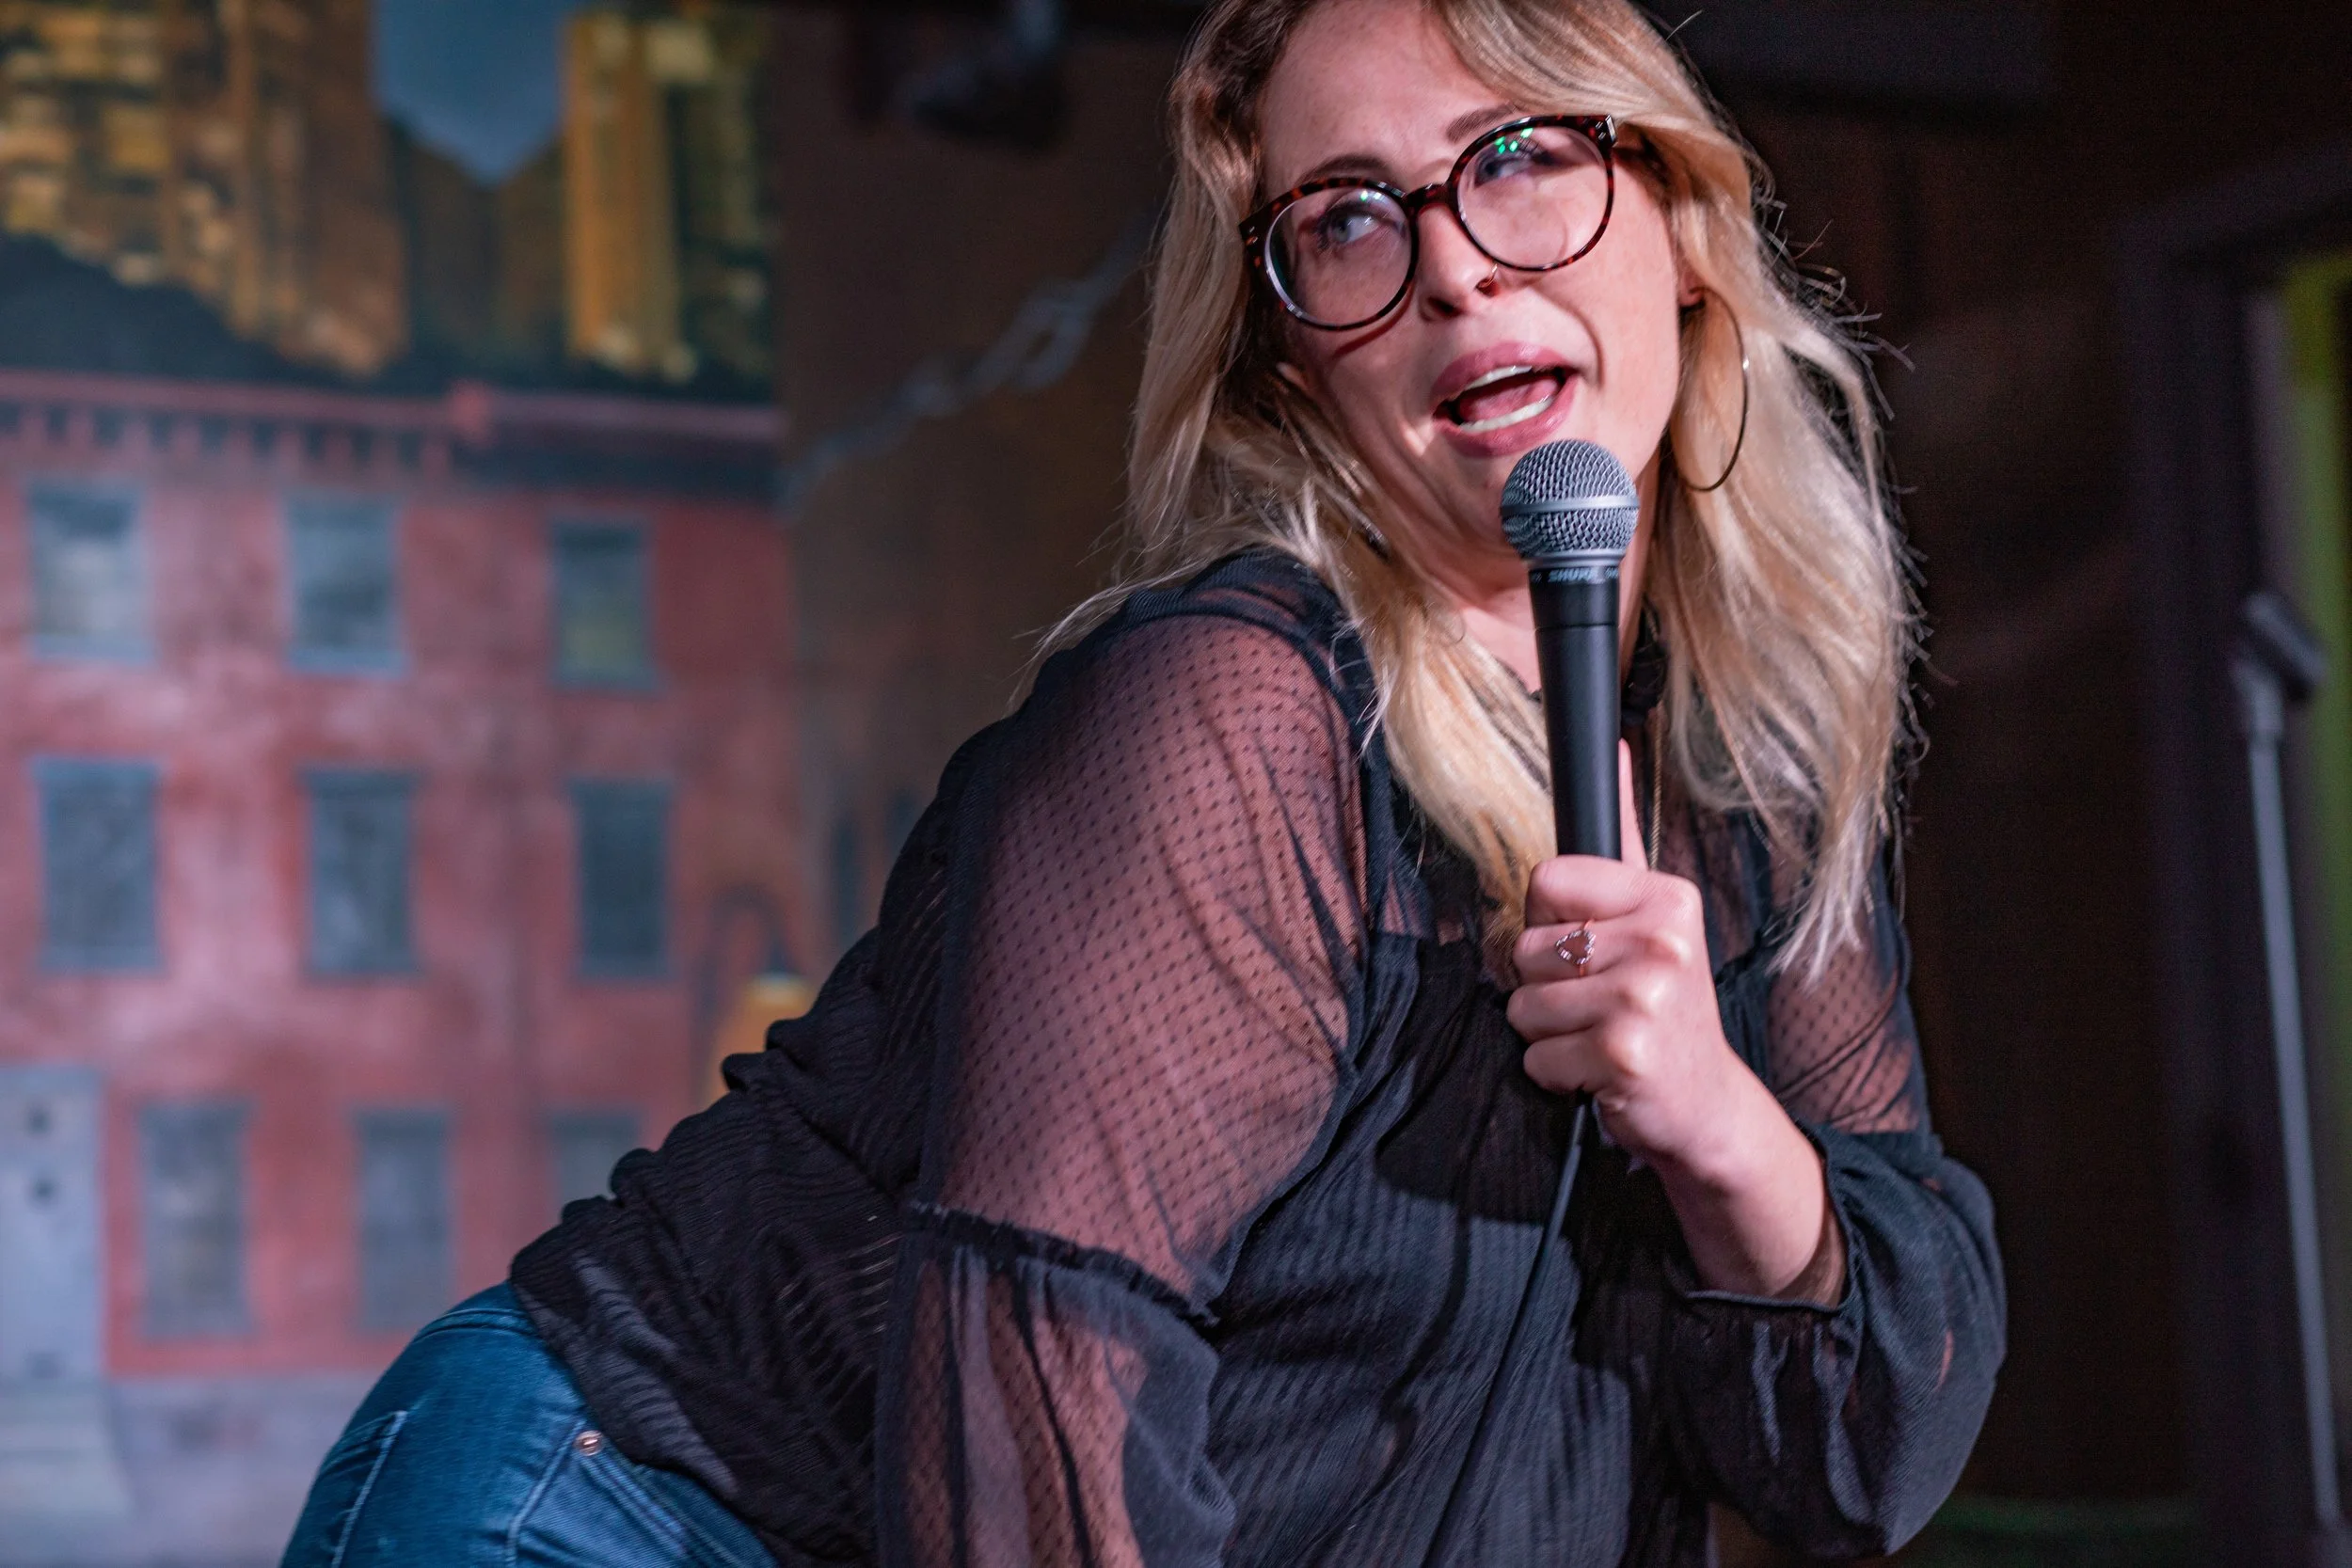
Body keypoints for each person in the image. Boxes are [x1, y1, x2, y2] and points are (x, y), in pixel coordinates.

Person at [280, 0, 2003, 1562]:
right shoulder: (1235, 715)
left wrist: (1719, 1125)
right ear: (1296, 368)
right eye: (1349, 221)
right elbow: (1049, 1425)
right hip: (626, 1510)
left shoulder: (1737, 776)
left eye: (1523, 158)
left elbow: (1874, 1446)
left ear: (1685, 223)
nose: (1460, 270)